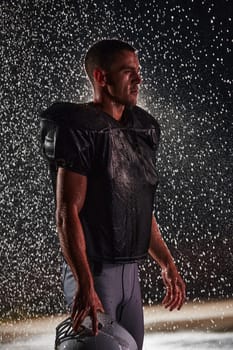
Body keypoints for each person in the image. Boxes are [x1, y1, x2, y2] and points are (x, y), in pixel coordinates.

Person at [40, 39, 186, 350]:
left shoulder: (141, 130)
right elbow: (68, 213)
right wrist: (83, 282)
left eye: (138, 71)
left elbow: (138, 211)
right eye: (127, 72)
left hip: (130, 278)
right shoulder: (80, 128)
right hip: (94, 271)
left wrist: (166, 263)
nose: (137, 79)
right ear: (101, 77)